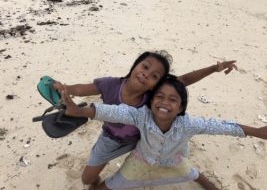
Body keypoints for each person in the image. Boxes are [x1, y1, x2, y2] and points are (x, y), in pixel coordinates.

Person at [61, 74, 267, 190]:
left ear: (180, 107)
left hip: (174, 159)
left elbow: (222, 126)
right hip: (141, 160)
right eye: (159, 97)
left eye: (172, 100)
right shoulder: (141, 115)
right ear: (151, 103)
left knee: (197, 177)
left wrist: (258, 132)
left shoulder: (188, 124)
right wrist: (81, 111)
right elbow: (113, 112)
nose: (164, 103)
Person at [53, 50, 237, 189]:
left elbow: (184, 79)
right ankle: (96, 183)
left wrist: (215, 68)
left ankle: (196, 176)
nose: (146, 74)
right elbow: (80, 89)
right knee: (87, 179)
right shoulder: (110, 85)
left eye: (155, 76)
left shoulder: (152, 96)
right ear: (135, 65)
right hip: (109, 139)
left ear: (158, 84)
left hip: (139, 141)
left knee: (173, 158)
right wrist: (64, 88)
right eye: (145, 66)